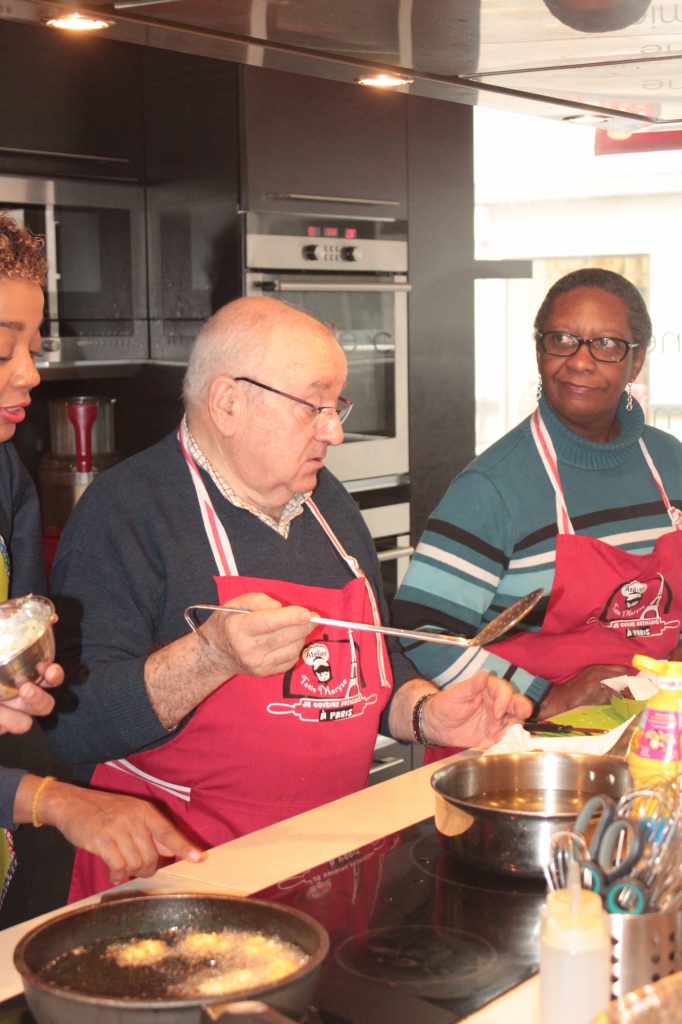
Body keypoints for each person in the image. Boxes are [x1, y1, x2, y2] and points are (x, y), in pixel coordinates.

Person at [46, 294, 531, 902]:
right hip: (181, 881)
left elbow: (369, 664)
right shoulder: (125, 513)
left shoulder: (327, 504)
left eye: (337, 406)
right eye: (314, 405)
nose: (336, 430)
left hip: (332, 861)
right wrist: (210, 656)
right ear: (228, 402)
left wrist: (425, 711)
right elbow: (74, 727)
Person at [0, 211, 203, 924]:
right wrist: (50, 800)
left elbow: (18, 635)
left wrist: (24, 688)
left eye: (33, 343)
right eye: (2, 350)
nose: (31, 372)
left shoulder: (6, 474)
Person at [392, 267, 682, 759]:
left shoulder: (671, 463)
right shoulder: (495, 487)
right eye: (562, 339)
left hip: (653, 739)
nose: (581, 362)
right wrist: (544, 696)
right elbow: (421, 633)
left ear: (636, 363)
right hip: (519, 753)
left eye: (607, 344)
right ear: (539, 351)